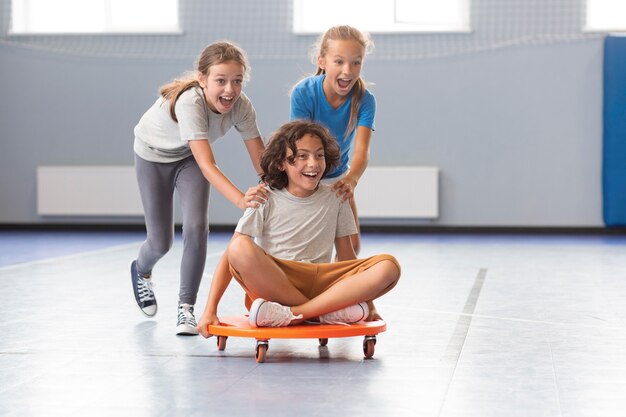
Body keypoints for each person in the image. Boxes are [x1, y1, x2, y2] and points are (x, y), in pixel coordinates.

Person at [197, 120, 400, 335]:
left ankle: (297, 314)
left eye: (319, 155)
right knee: (238, 247)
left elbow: (347, 259)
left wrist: (370, 305)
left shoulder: (336, 197)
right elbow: (231, 256)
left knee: (389, 266)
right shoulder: (265, 197)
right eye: (302, 156)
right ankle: (322, 313)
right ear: (281, 163)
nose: (313, 163)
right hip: (278, 280)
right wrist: (210, 310)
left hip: (323, 281)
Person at [130, 41, 269, 336]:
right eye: (220, 81)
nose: (229, 90)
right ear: (203, 79)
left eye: (237, 81)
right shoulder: (189, 102)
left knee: (196, 227)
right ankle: (141, 270)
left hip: (188, 159)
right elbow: (209, 164)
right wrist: (241, 199)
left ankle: (186, 309)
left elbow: (261, 159)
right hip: (152, 156)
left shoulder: (242, 107)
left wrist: (279, 187)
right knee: (160, 242)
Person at [290, 25, 376, 255]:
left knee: (352, 247)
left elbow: (361, 151)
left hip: (338, 178)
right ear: (322, 61)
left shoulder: (365, 100)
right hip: (305, 176)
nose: (347, 70)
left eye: (356, 62)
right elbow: (300, 148)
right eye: (339, 62)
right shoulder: (303, 93)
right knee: (304, 243)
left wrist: (351, 181)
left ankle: (334, 290)